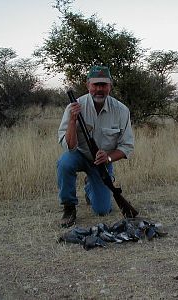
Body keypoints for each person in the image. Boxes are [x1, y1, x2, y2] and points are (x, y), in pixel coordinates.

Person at [57, 65, 134, 228]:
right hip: (79, 155)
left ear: (110, 86)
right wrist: (72, 119)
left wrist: (109, 157)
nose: (99, 89)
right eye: (95, 84)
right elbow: (70, 146)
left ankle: (90, 187)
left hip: (102, 162)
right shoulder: (74, 106)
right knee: (64, 162)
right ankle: (69, 207)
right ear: (88, 85)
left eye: (103, 85)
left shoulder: (121, 110)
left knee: (102, 210)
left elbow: (127, 146)